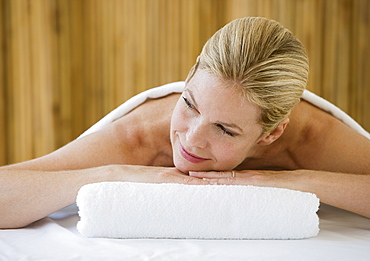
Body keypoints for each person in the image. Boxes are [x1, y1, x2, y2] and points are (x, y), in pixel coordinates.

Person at [1, 17, 369, 229]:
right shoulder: (140, 138)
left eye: (225, 129)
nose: (191, 139)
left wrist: (295, 180)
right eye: (190, 104)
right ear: (190, 76)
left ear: (272, 133)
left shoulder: (312, 141)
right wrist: (114, 173)